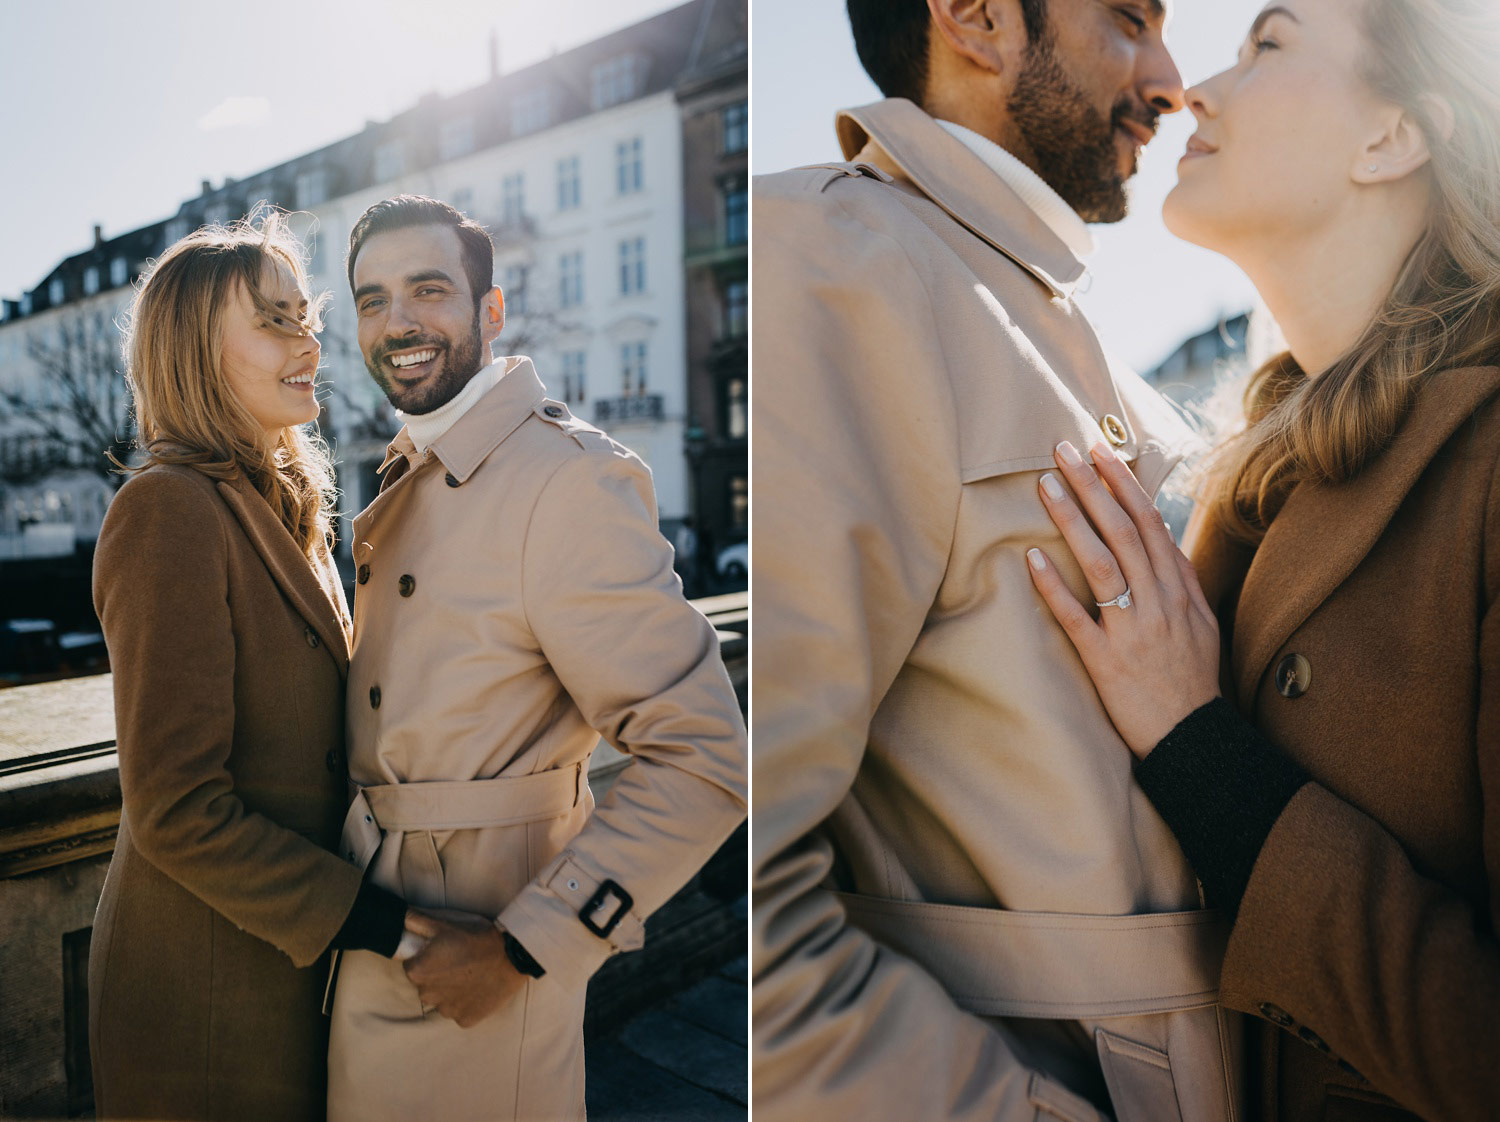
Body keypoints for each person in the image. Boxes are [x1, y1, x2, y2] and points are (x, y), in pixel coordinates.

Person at [752, 2, 1244, 1121]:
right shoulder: (832, 260)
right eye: (1128, 18)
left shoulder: (1038, 306)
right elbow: (754, 895)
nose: (1169, 79)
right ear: (975, 18)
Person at [1025, 0, 1500, 1118]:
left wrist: (1200, 751)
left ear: (1392, 139)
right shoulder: (1251, 487)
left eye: (1268, 44)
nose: (1193, 88)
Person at [324, 195, 747, 1122]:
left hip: (479, 962)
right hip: (376, 935)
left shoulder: (565, 479)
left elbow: (709, 758)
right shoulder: (419, 466)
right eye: (371, 299)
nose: (397, 323)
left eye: (428, 290)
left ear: (491, 311)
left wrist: (528, 945)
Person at [89, 212, 411, 1121]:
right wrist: (383, 925)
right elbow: (177, 810)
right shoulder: (168, 509)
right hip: (205, 993)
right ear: (195, 350)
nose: (309, 337)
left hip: (285, 974)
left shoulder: (282, 505)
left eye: (305, 314)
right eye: (274, 319)